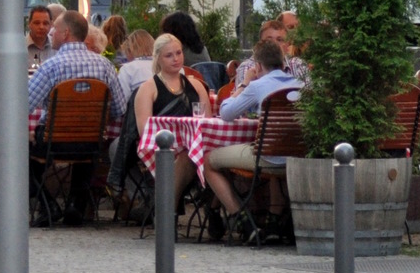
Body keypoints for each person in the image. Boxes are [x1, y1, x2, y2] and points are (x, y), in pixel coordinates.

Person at [204, 38, 304, 243]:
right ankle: (274, 222)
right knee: (273, 153)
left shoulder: (257, 86)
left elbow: (226, 113)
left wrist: (243, 83)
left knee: (208, 161)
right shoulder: (300, 85)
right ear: (283, 63)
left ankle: (242, 219)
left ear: (257, 66)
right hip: (296, 158)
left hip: (267, 158)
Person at [119, 32, 209, 216]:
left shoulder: (197, 86)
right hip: (161, 148)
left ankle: (166, 211)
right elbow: (146, 131)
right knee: (188, 156)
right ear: (158, 58)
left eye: (178, 53)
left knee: (204, 156)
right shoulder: (147, 88)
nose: (176, 59)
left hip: (194, 147)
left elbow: (207, 123)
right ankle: (169, 212)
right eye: (169, 55)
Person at [28, 10, 126, 127]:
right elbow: (119, 109)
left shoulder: (50, 67)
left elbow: (24, 106)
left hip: (54, 141)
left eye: (55, 28)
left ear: (65, 33)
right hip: (93, 140)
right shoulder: (105, 66)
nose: (51, 33)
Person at [115, 30, 156, 105]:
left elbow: (122, 100)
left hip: (138, 112)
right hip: (166, 113)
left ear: (130, 50)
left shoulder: (127, 69)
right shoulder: (165, 65)